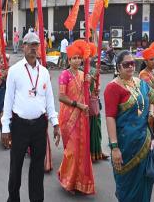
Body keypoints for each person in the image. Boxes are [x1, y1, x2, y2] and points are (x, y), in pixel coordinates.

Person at [1, 32, 60, 202]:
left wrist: (55, 123)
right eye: (29, 44)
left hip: (39, 126)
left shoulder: (44, 72)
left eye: (36, 44)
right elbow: (8, 101)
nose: (33, 48)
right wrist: (5, 128)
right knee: (16, 167)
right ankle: (13, 199)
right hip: (20, 126)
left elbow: (49, 100)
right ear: (23, 46)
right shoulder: (14, 71)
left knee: (37, 168)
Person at [104, 50, 154, 202]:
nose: (130, 67)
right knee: (127, 186)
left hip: (144, 141)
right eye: (126, 64)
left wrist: (151, 113)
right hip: (125, 145)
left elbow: (153, 98)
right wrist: (114, 147)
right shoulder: (113, 88)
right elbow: (110, 118)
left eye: (133, 63)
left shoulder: (141, 83)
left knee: (144, 183)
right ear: (118, 67)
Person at [57, 40, 95, 195]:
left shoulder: (83, 75)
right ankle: (67, 181)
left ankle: (80, 182)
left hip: (82, 117)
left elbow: (88, 95)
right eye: (74, 58)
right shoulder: (64, 75)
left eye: (79, 58)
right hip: (68, 117)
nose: (77, 61)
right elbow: (61, 96)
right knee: (71, 151)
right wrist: (77, 105)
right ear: (69, 59)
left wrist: (90, 84)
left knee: (82, 150)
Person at [0, 54, 9, 133]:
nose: (3, 63)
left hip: (9, 96)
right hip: (0, 95)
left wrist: (8, 74)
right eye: (1, 62)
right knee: (0, 115)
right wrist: (3, 76)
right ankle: (3, 132)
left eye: (5, 62)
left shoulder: (11, 71)